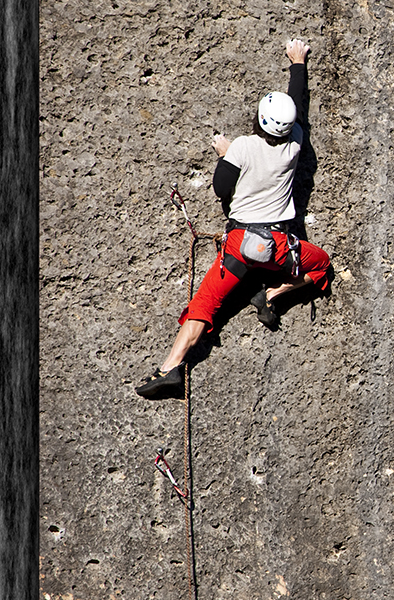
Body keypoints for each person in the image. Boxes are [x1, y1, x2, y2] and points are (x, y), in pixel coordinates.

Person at [136, 38, 332, 400]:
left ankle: (170, 367)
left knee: (205, 305)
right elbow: (299, 112)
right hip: (278, 249)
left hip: (240, 248)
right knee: (321, 265)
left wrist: (228, 156)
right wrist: (298, 64)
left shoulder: (242, 147)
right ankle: (272, 292)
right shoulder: (294, 147)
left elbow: (221, 189)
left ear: (258, 119)